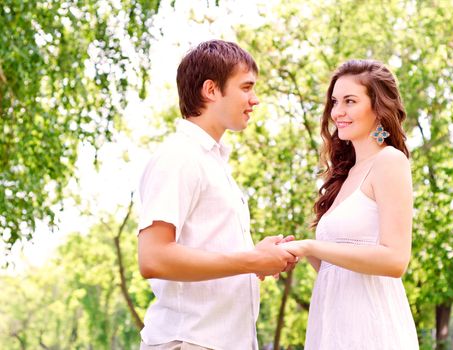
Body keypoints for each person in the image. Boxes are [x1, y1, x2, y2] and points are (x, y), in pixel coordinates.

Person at [137, 40, 296, 350]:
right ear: (211, 90)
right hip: (190, 342)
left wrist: (261, 258)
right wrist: (251, 260)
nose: (255, 99)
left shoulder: (212, 162)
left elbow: (212, 252)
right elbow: (153, 257)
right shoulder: (179, 156)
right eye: (246, 87)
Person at [280, 59, 419, 349]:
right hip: (333, 324)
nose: (337, 112)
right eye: (334, 101)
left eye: (350, 101)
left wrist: (310, 246)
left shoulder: (389, 161)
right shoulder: (345, 174)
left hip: (371, 329)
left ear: (378, 109)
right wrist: (295, 252)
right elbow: (338, 268)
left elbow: (395, 260)